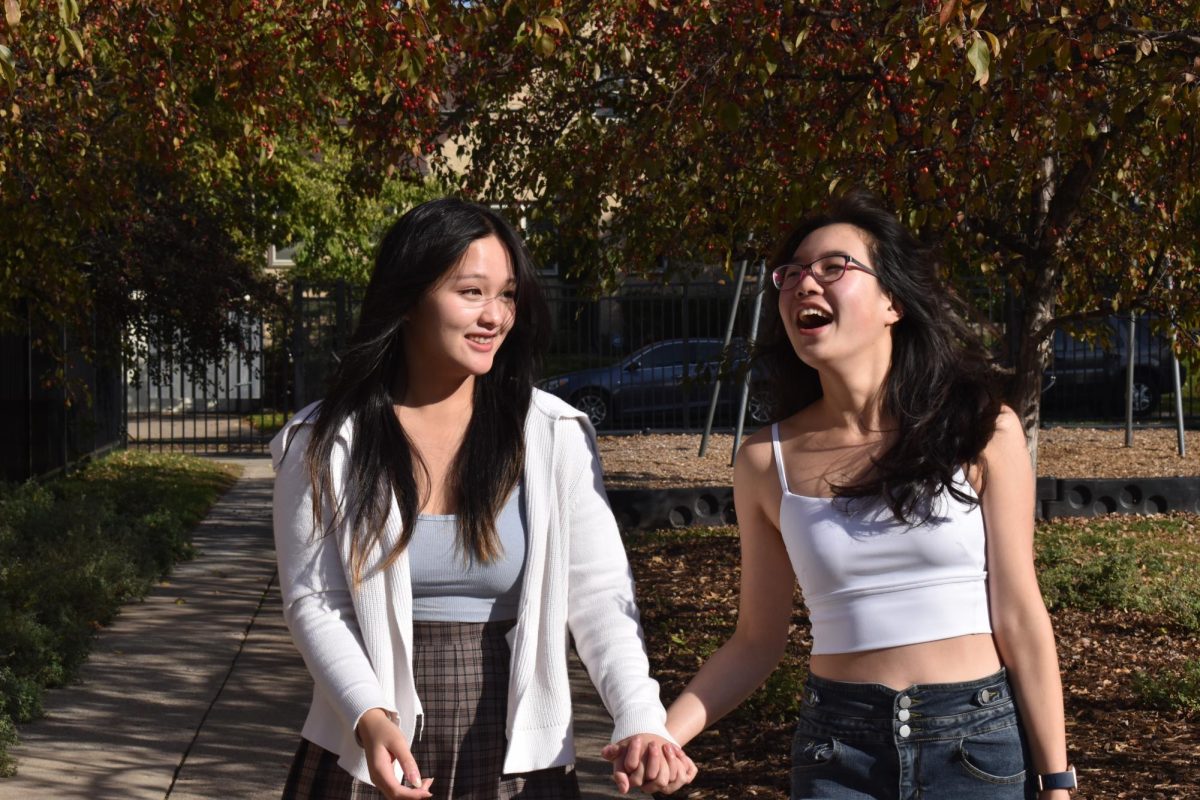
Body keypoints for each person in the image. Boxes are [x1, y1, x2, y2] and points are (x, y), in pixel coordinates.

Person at [606, 189, 1076, 798]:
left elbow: (1019, 611)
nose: (805, 283)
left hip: (975, 743)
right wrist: (664, 734)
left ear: (893, 301)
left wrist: (1057, 778)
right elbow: (756, 641)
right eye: (792, 274)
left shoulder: (983, 428)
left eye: (834, 268)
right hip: (839, 752)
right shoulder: (762, 461)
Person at [271, 198, 696, 800]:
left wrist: (641, 719)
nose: (495, 315)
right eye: (472, 292)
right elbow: (316, 600)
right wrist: (367, 713)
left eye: (508, 295)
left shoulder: (552, 434)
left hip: (515, 755)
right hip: (367, 746)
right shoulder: (322, 441)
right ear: (410, 297)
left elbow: (600, 596)